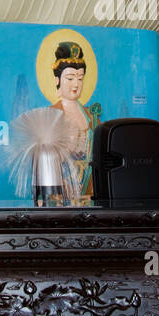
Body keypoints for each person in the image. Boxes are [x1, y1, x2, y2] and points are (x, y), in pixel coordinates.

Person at [50, 40, 101, 199]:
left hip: (90, 192)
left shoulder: (91, 115)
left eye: (80, 78)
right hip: (62, 193)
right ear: (57, 80)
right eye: (70, 78)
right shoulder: (51, 116)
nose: (76, 84)